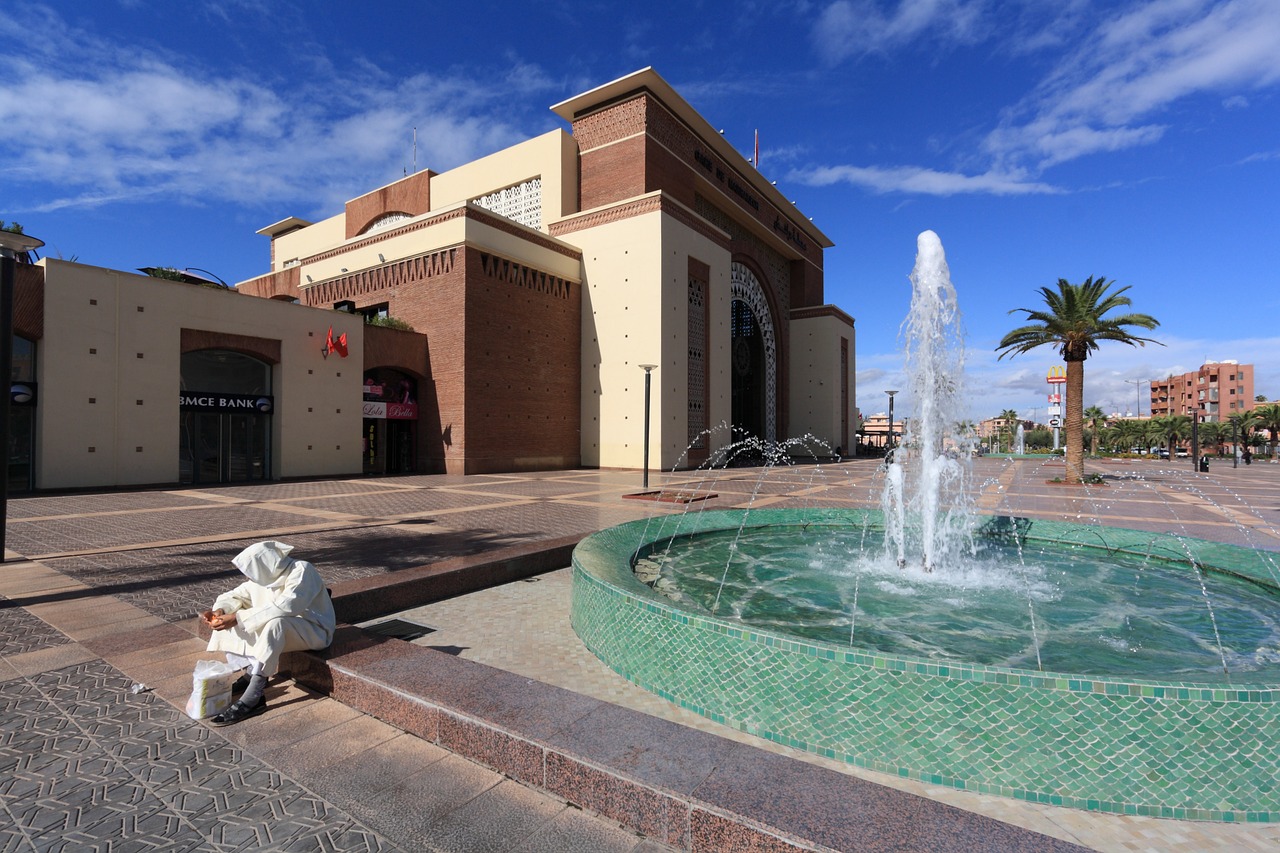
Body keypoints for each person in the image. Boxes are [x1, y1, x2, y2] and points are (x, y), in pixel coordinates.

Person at [200, 541, 336, 726]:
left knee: (273, 623)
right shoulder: (263, 579)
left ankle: (254, 696)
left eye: (250, 569)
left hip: (314, 630)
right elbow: (234, 596)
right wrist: (221, 611)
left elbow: (288, 605)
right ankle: (250, 672)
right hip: (289, 630)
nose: (248, 575)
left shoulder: (302, 570)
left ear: (264, 564)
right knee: (232, 621)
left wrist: (238, 617)